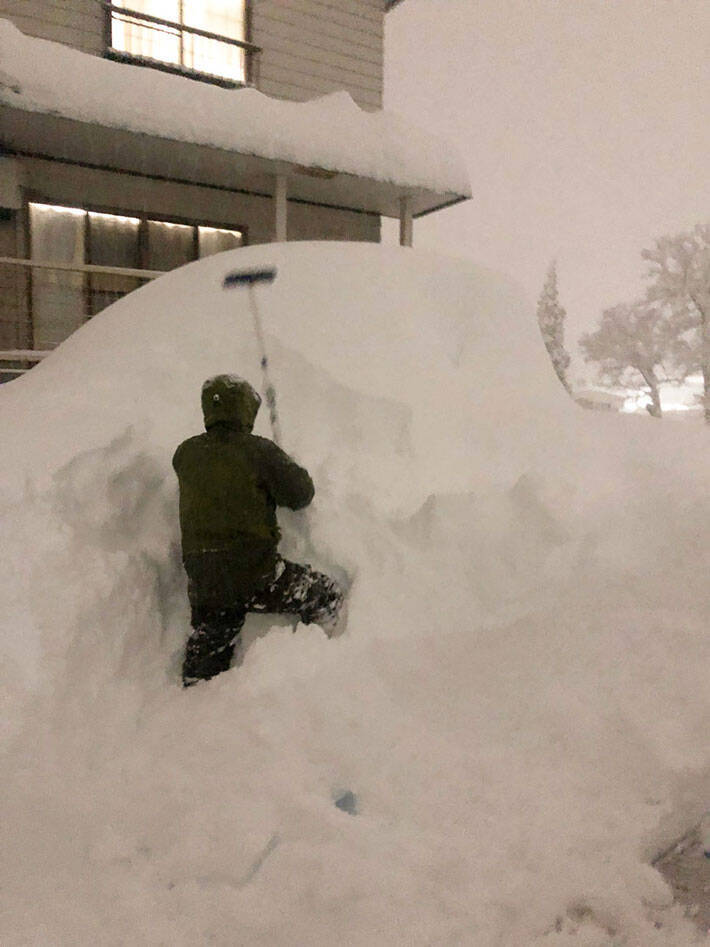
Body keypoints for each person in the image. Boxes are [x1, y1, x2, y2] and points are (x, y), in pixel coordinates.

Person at [173, 374, 343, 687]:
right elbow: (301, 494)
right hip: (255, 574)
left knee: (212, 644)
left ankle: (195, 696)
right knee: (325, 594)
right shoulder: (258, 451)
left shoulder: (185, 454)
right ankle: (328, 664)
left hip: (204, 580)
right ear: (245, 409)